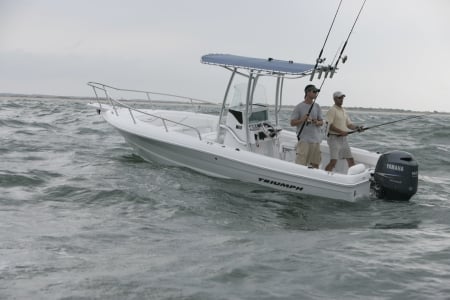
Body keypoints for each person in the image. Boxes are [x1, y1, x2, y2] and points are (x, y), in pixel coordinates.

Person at [325, 91, 363, 172]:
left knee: (350, 159)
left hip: (343, 140)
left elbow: (349, 124)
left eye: (342, 98)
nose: (341, 99)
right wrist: (341, 131)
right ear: (334, 99)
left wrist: (357, 128)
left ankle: (354, 177)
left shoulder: (344, 111)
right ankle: (324, 176)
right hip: (334, 139)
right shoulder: (332, 110)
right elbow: (330, 125)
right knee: (333, 162)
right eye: (339, 98)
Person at [290, 84, 324, 168]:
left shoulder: (317, 106)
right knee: (301, 165)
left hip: (316, 141)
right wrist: (302, 120)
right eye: (314, 91)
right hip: (304, 140)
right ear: (308, 92)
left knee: (315, 164)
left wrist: (316, 122)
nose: (316, 93)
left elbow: (322, 122)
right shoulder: (299, 107)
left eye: (317, 92)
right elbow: (292, 123)